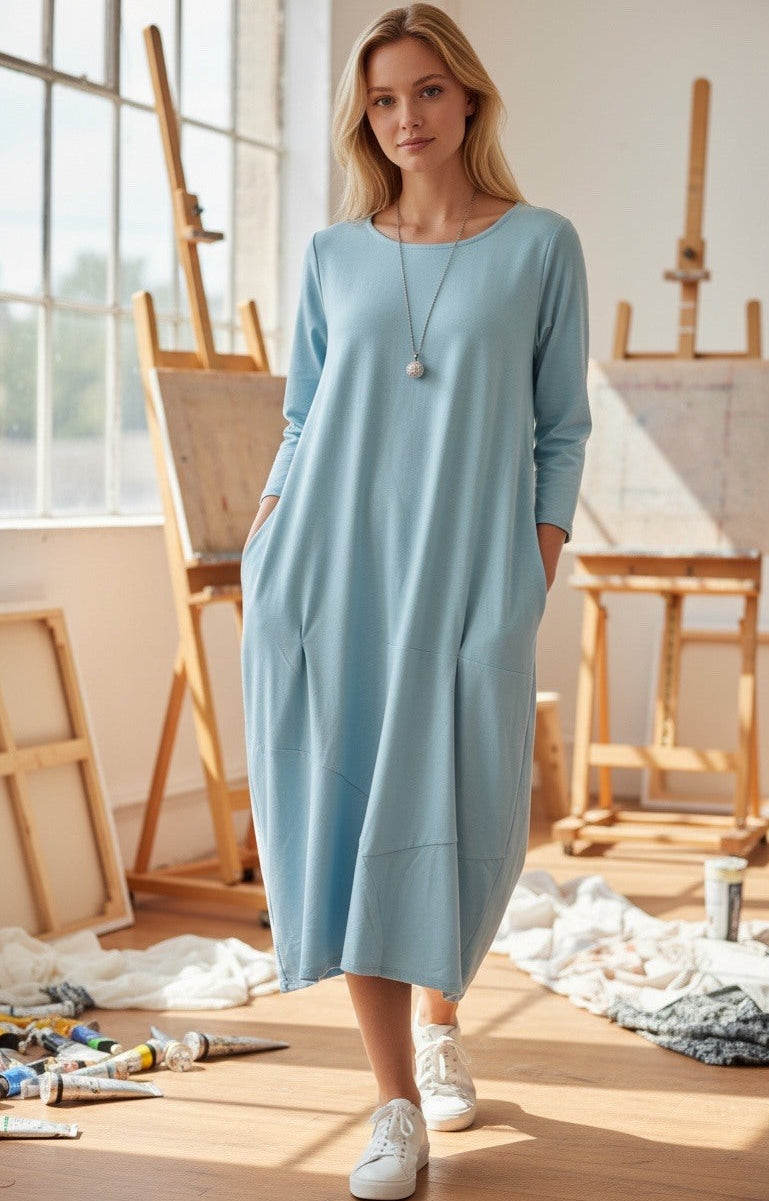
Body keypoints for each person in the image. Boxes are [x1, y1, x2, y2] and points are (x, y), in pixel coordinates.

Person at [240, 5, 591, 1198]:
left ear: (470, 97)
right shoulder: (334, 255)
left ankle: (443, 1014)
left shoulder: (540, 244)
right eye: (384, 100)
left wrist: (533, 564)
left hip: (469, 570)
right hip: (328, 565)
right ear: (365, 118)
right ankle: (395, 1100)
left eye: (428, 91)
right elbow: (304, 415)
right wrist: (269, 534)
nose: (406, 118)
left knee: (466, 806)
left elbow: (562, 428)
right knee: (351, 820)